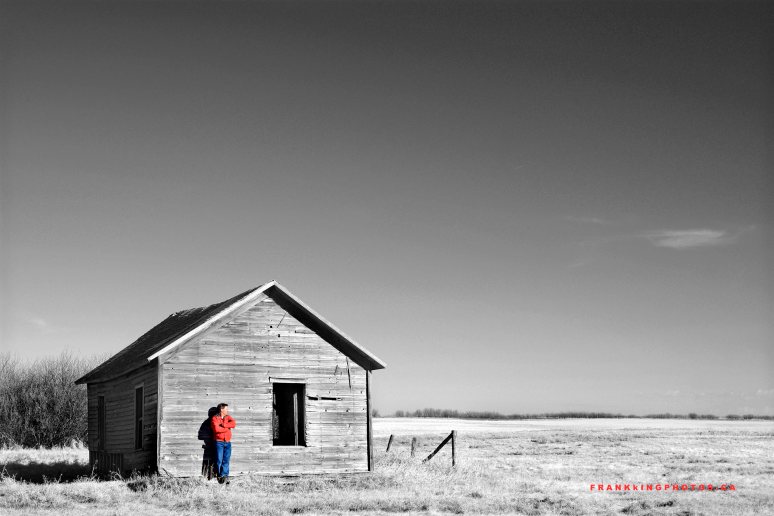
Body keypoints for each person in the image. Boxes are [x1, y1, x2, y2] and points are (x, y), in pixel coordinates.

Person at [210, 402, 237, 484]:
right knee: (219, 460)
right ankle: (219, 476)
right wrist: (227, 428)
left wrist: (224, 425)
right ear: (221, 409)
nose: (227, 410)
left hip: (227, 442)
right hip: (219, 442)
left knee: (226, 460)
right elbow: (216, 430)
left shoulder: (228, 417)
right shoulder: (214, 418)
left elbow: (233, 424)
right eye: (226, 409)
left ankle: (224, 476)